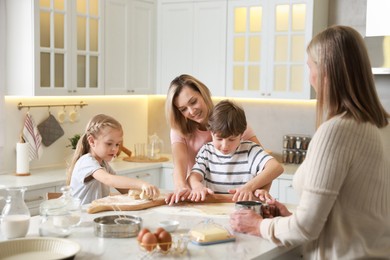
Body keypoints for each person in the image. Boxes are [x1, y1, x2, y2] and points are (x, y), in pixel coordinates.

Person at [230, 25, 390, 259]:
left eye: (310, 66)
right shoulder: (382, 125)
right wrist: (288, 219)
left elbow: (306, 227)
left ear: (326, 72)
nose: (309, 76)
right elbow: (354, 213)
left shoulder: (337, 131)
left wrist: (258, 225)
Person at [165, 74, 262, 204]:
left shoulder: (229, 121)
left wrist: (259, 189)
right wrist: (181, 187)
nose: (192, 111)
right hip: (199, 196)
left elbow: (264, 166)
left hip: (234, 197)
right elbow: (179, 165)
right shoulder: (179, 129)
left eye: (193, 102)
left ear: (203, 94)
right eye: (183, 109)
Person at [187, 100, 283, 202]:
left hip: (242, 209)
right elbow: (194, 176)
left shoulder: (250, 150)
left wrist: (249, 187)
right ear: (211, 133)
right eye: (219, 139)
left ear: (241, 135)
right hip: (213, 206)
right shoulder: (207, 151)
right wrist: (197, 186)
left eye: (232, 139)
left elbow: (276, 168)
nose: (225, 145)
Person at [67, 114, 160, 205]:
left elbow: (122, 188)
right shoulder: (86, 161)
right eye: (109, 143)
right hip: (80, 216)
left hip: (94, 215)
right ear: (91, 141)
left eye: (117, 144)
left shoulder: (103, 164)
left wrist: (141, 193)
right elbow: (109, 179)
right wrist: (141, 184)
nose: (115, 149)